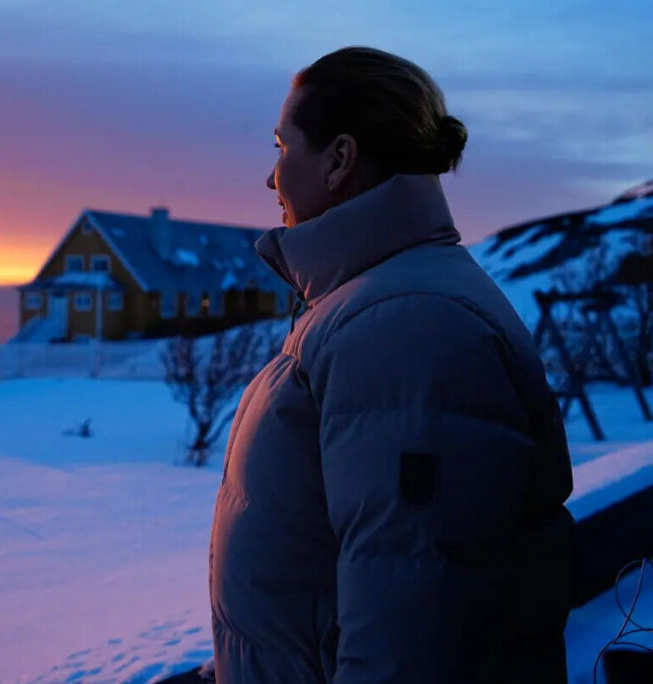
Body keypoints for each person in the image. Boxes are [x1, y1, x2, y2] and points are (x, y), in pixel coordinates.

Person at [208, 47, 575, 683]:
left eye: (281, 146)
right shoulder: (371, 304)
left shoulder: (406, 323)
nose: (271, 178)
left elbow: (413, 635)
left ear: (339, 159)